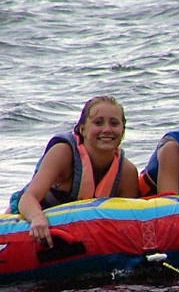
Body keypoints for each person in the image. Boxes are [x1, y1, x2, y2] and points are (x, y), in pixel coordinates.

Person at [8, 96, 140, 248]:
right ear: (82, 129)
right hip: (27, 221)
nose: (107, 129)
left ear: (123, 131)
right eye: (98, 122)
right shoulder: (63, 153)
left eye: (114, 123)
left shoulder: (127, 172)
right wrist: (37, 218)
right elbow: (28, 198)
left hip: (84, 239)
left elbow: (129, 223)